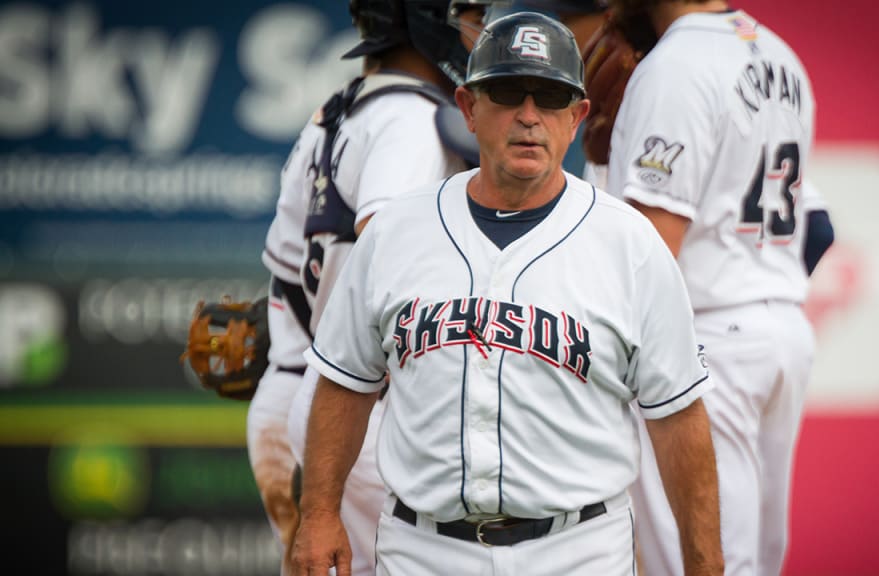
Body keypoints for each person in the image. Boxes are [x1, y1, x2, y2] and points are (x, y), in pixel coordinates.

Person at [291, 11, 723, 576]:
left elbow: (679, 421)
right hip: (424, 549)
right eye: (507, 93)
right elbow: (344, 382)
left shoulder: (629, 244)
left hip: (579, 549)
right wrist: (319, 512)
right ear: (468, 108)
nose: (528, 116)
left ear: (577, 116)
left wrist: (705, 565)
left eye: (549, 97)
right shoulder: (397, 231)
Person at [603, 1, 835, 575]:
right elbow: (819, 230)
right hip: (781, 331)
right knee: (750, 559)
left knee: (706, 561)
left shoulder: (676, 63)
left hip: (707, 340)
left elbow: (651, 247)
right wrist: (757, 287)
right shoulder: (783, 55)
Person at [252, 0, 479, 574]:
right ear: (427, 19)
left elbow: (285, 272)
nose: (481, 28)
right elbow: (388, 265)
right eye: (470, 11)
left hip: (295, 393)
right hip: (360, 418)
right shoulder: (409, 120)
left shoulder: (336, 109)